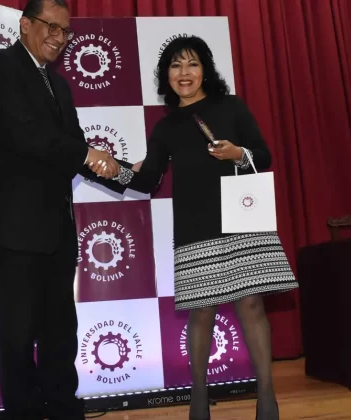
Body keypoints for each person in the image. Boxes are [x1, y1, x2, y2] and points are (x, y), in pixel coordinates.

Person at [112, 36, 299, 420]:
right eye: (176, 65)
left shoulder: (231, 106)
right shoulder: (166, 127)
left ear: (205, 71)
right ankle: (198, 398)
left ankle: (266, 398)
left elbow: (263, 155)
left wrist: (238, 153)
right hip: (195, 225)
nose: (184, 73)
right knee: (201, 311)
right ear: (166, 75)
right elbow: (146, 180)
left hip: (242, 220)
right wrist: (111, 168)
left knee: (251, 304)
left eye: (192, 64)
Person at [0, 1, 128, 418]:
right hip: (13, 230)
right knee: (18, 336)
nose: (59, 38)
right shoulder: (0, 66)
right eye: (51, 27)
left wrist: (128, 173)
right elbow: (26, 134)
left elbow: (74, 151)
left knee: (61, 333)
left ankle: (62, 410)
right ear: (25, 24)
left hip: (56, 231)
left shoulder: (59, 86)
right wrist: (90, 155)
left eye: (65, 31)